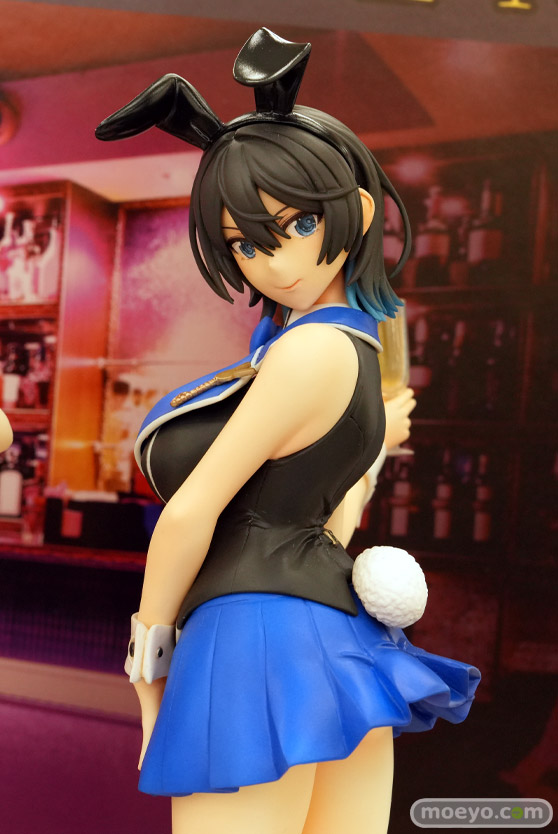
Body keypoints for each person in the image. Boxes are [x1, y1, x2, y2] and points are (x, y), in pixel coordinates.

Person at [96, 28, 480, 834]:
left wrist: (147, 664)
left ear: (358, 213)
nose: (271, 263)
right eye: (245, 242)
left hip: (250, 644)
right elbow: (329, 525)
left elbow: (191, 513)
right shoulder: (353, 349)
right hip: (344, 643)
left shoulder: (306, 352)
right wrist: (376, 451)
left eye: (297, 226)